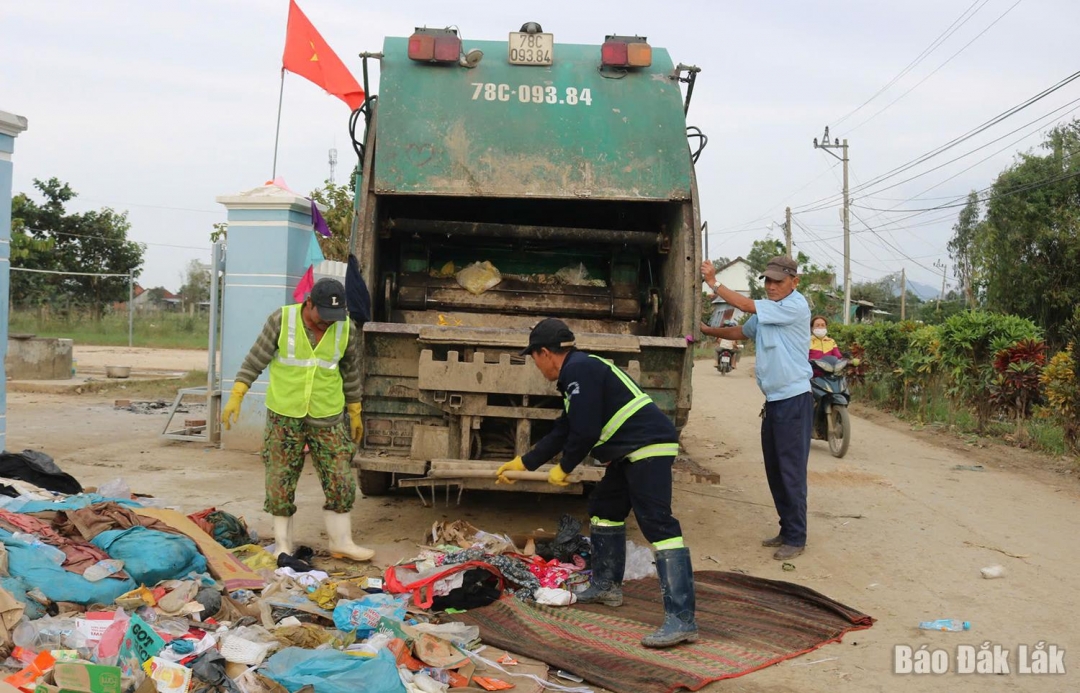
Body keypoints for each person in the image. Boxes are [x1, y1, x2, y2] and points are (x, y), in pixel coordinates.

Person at [496, 318, 696, 648]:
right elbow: (565, 427)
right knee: (604, 508)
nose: (535, 365)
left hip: (648, 445)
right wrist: (525, 462)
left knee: (657, 523)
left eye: (533, 357)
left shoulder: (579, 370)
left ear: (545, 353)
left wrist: (564, 466)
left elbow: (585, 431)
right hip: (627, 450)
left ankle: (682, 619)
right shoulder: (576, 373)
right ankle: (606, 585)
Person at [221, 278, 373, 562]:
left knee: (341, 478)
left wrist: (355, 410)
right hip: (284, 414)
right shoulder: (282, 319)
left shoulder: (346, 328)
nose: (328, 322)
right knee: (280, 480)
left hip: (327, 413)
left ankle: (342, 542)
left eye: (334, 317)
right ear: (310, 304)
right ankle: (282, 546)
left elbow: (350, 371)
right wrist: (238, 393)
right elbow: (255, 359)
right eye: (323, 315)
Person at [700, 256, 813, 560]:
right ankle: (787, 528)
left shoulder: (794, 306)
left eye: (778, 281)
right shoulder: (769, 310)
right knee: (775, 471)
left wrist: (714, 282)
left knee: (790, 472)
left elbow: (748, 306)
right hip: (774, 402)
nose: (772, 286)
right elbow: (743, 331)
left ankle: (797, 536)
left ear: (794, 282)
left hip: (793, 401)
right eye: (768, 280)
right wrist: (709, 332)